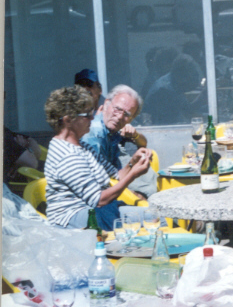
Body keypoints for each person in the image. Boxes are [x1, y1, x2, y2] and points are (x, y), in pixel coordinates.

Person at [43, 86, 151, 230]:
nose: (93, 118)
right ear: (68, 120)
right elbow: (99, 200)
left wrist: (133, 163)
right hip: (75, 219)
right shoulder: (67, 155)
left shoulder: (82, 146)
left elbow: (115, 175)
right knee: (146, 224)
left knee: (155, 217)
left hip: (97, 211)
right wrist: (133, 175)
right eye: (87, 115)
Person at [81, 84, 157, 199]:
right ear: (106, 104)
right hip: (104, 192)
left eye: (127, 114)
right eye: (118, 109)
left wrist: (135, 135)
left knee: (156, 180)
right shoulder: (94, 136)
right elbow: (100, 185)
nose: (120, 116)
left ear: (132, 119)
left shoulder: (112, 127)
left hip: (117, 174)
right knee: (152, 193)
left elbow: (143, 143)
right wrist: (131, 194)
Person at [144, 53, 203, 125]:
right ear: (183, 74)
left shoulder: (175, 85)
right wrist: (202, 98)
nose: (193, 79)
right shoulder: (164, 90)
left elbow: (186, 109)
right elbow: (183, 116)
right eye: (192, 74)